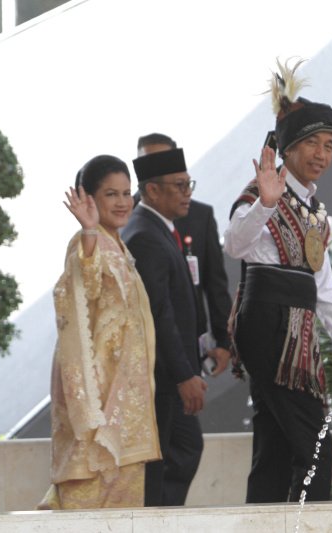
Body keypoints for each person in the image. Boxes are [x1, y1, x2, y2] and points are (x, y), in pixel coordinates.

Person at [223, 59, 332, 503]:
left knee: (276, 448)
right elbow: (235, 245)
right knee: (315, 444)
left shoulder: (314, 209)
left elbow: (323, 282)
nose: (322, 154)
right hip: (269, 324)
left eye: (330, 145)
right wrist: (264, 203)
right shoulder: (264, 191)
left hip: (293, 325)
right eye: (312, 142)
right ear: (289, 147)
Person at [39, 155, 161, 509]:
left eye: (126, 193)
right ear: (89, 200)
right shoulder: (86, 241)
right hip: (97, 393)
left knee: (123, 504)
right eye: (111, 194)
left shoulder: (119, 245)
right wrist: (90, 230)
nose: (123, 202)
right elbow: (86, 281)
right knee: (87, 499)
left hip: (124, 394)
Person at [123, 148, 204, 506]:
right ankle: (155, 519)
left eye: (189, 184)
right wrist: (184, 373)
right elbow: (159, 314)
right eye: (179, 185)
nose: (188, 192)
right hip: (161, 376)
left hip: (172, 373)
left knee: (185, 447)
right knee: (164, 458)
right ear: (152, 191)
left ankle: (163, 516)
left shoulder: (161, 229)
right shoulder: (144, 234)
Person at [136, 133, 232, 376]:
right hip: (154, 355)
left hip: (195, 342)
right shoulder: (131, 221)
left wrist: (224, 341)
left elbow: (216, 284)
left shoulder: (200, 216)